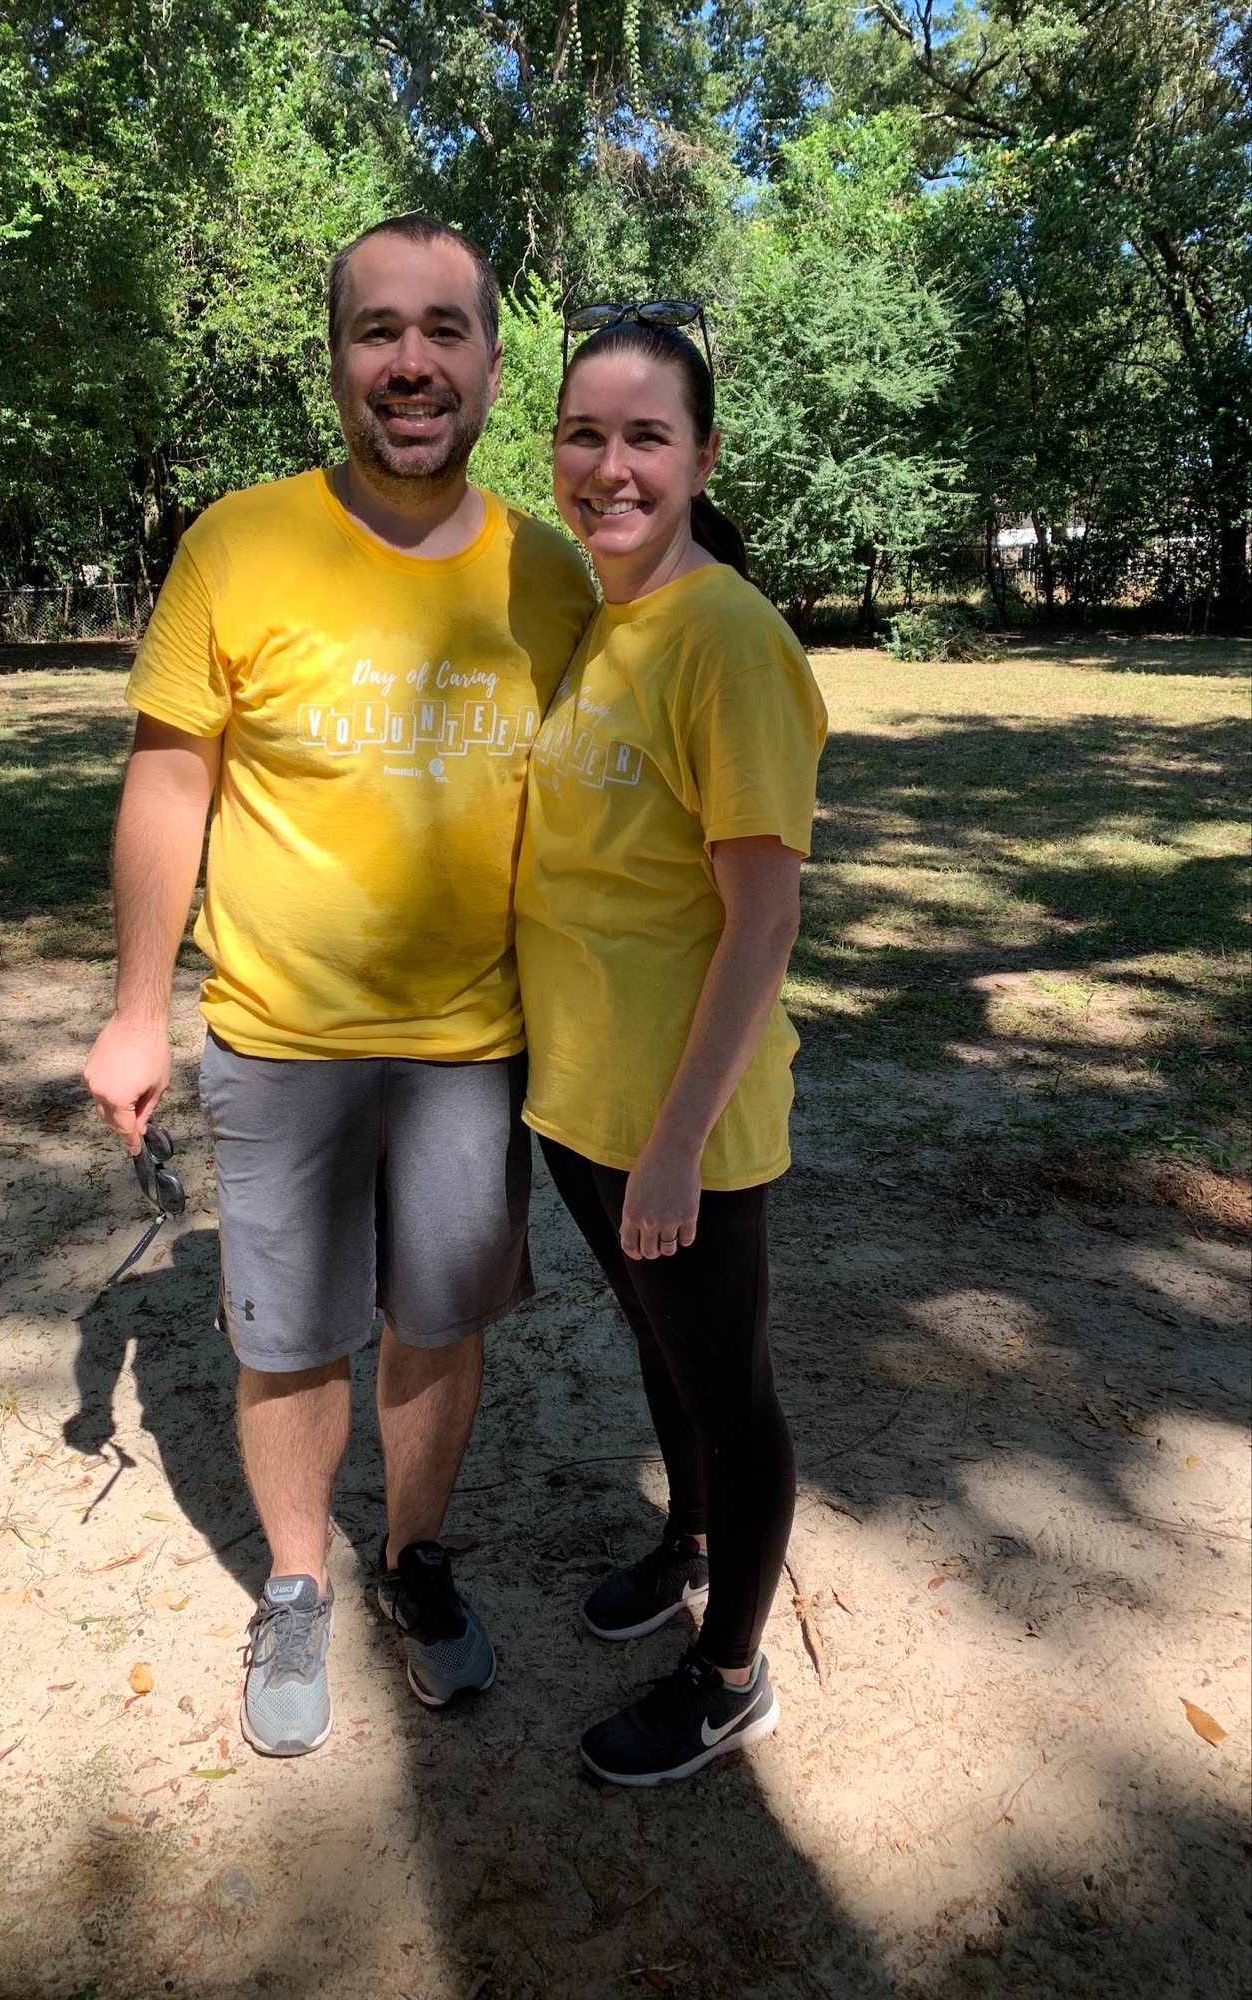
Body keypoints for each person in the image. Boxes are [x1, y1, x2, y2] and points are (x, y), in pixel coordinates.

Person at [83, 215, 596, 1758]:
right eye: (378, 330)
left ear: (492, 365)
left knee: (438, 1323)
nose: (411, 361)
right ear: (334, 361)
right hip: (280, 1037)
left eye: (444, 329)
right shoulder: (239, 543)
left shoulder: (553, 573)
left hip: (470, 1047)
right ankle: (298, 1585)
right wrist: (129, 1008)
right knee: (286, 1336)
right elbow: (169, 786)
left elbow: (616, 797)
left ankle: (417, 1563)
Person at [515, 306, 827, 1786]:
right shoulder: (603, 618)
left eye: (645, 435)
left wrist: (675, 1142)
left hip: (674, 1119)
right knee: (660, 1353)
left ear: (702, 454)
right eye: (586, 432)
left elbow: (759, 918)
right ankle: (686, 1540)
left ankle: (729, 1673)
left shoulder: (725, 638)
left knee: (727, 1386)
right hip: (583, 1100)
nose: (610, 464)